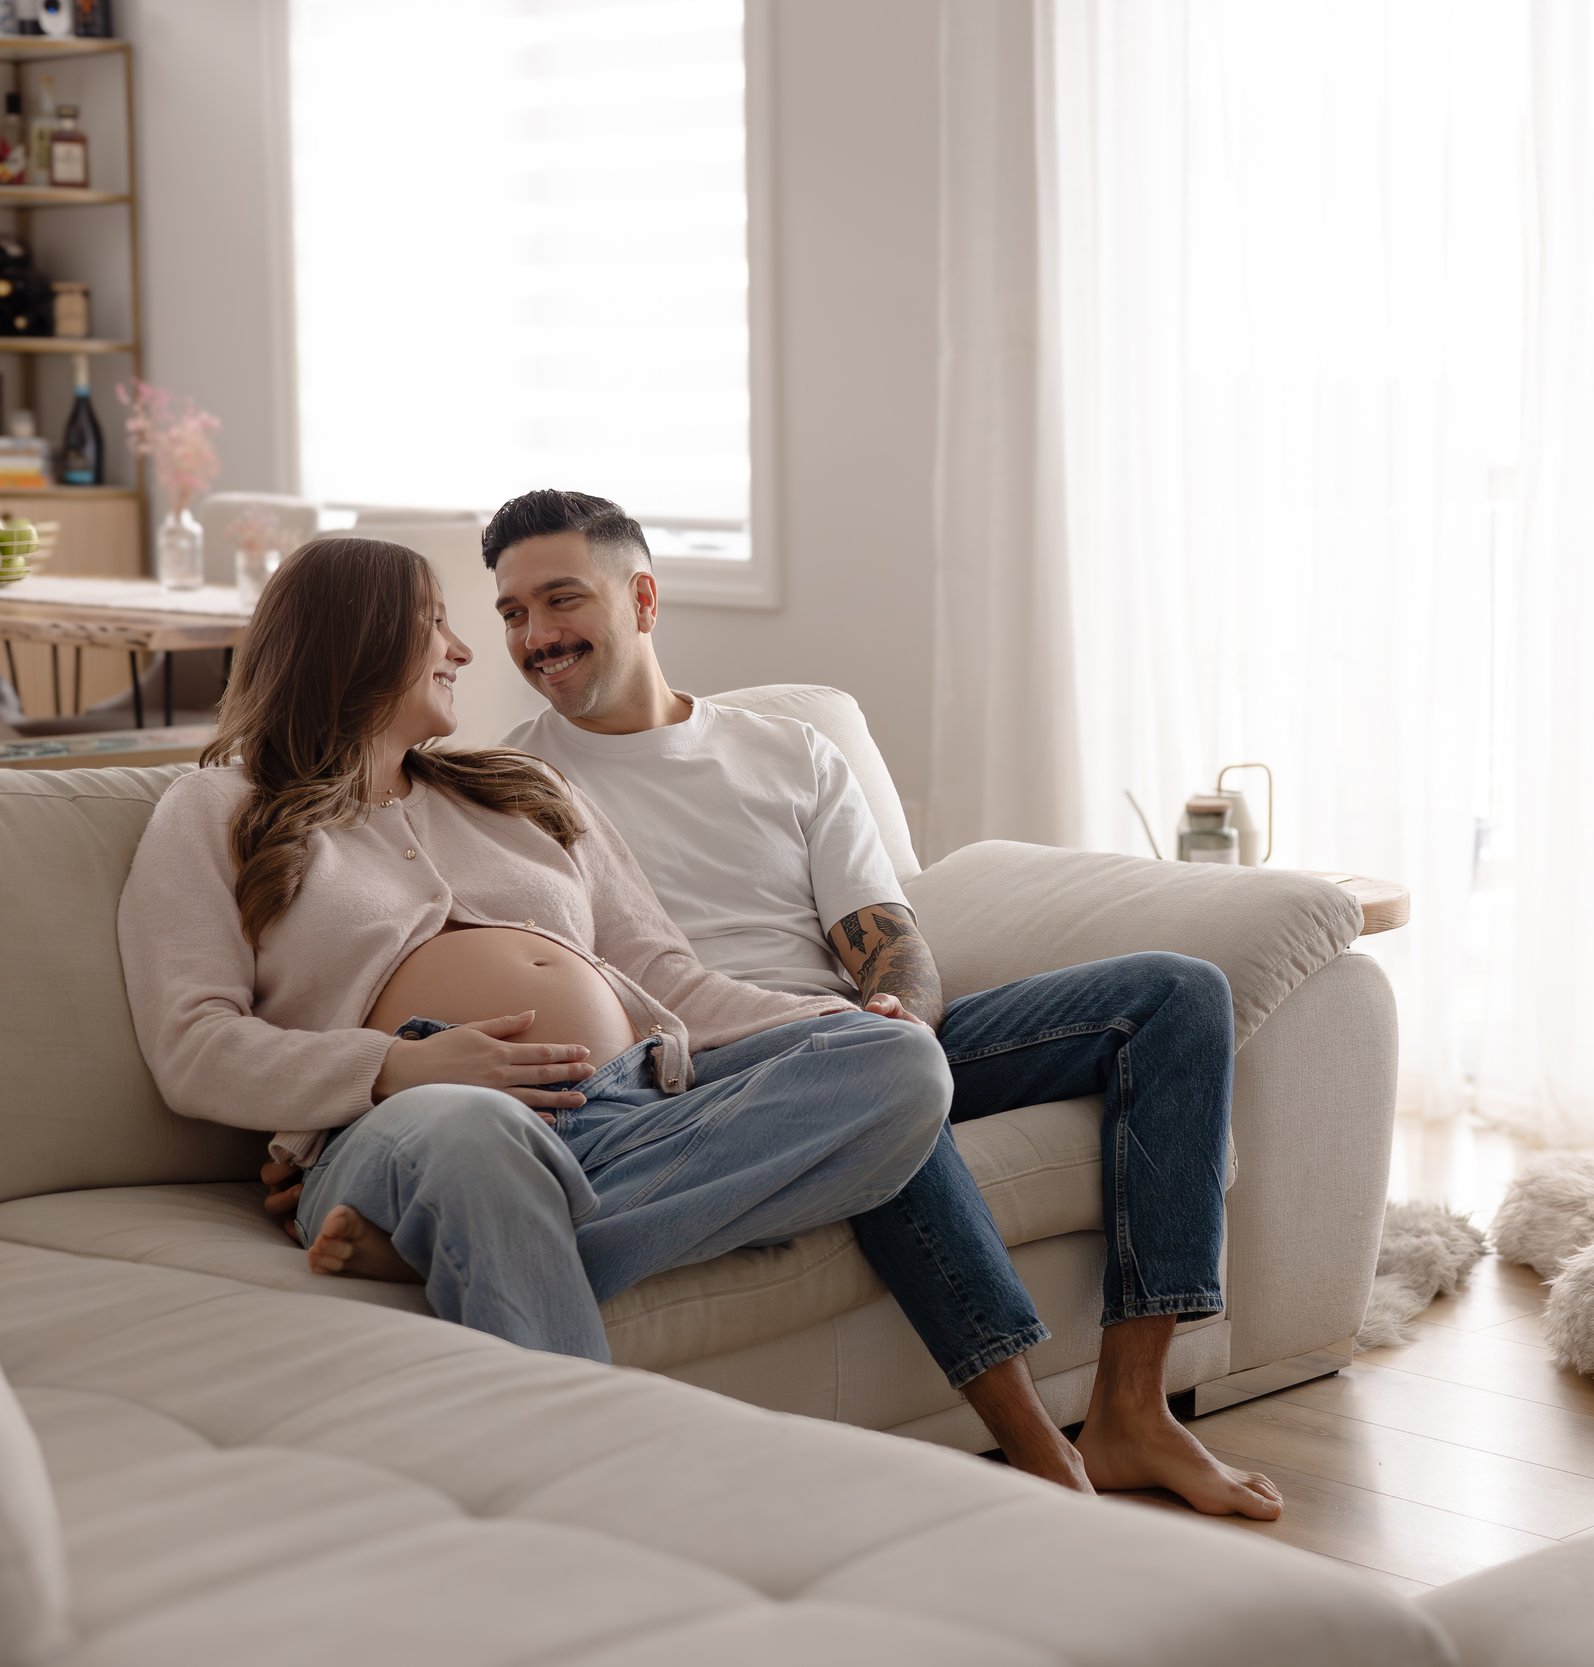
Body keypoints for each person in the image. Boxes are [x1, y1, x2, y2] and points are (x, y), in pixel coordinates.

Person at [264, 494, 1281, 1519]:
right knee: (863, 1094)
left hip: (827, 1031)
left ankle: (1132, 1408)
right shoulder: (516, 780)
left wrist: (892, 1015)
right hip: (686, 1070)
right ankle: (1033, 1450)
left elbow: (888, 934)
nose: (533, 639)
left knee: (1175, 994)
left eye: (560, 601)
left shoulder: (788, 750)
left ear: (642, 596)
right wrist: (353, 1099)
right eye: (512, 613)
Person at [118, 536, 953, 1365]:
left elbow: (665, 977)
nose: (464, 650)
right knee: (475, 1130)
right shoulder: (219, 810)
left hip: (627, 1111)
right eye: (434, 624)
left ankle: (463, 1233)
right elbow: (191, 1043)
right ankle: (569, 1424)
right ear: (357, 636)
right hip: (411, 1121)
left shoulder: (520, 788)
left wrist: (834, 1017)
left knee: (900, 1063)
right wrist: (393, 1069)